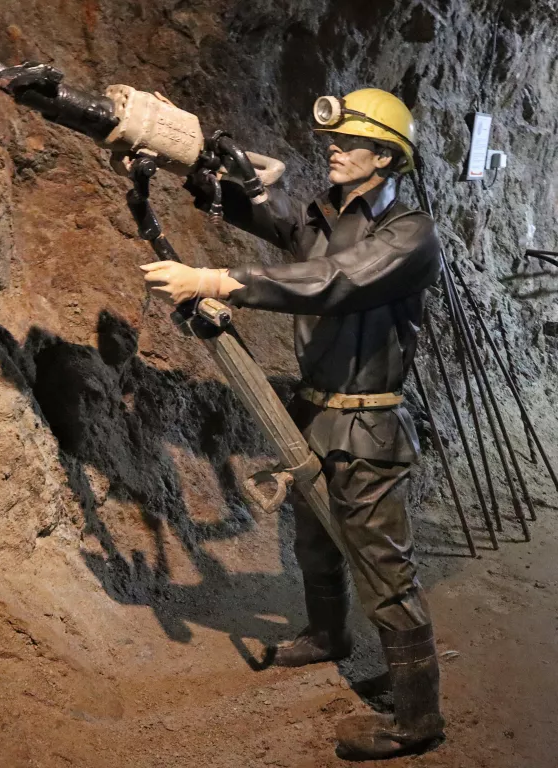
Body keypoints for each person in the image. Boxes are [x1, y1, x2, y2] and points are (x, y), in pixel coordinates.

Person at [140, 89, 444, 760]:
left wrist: (216, 280)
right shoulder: (328, 216)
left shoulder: (408, 233)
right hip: (311, 414)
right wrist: (183, 156)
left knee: (386, 573)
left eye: (349, 143)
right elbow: (277, 228)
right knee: (313, 546)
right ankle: (327, 635)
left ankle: (419, 720)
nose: (333, 150)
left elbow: (330, 280)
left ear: (385, 156)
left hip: (367, 429)